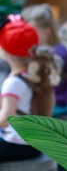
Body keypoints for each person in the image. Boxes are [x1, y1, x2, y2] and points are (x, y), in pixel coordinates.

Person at [21, 5, 67, 115]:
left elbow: (47, 79)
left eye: (31, 32)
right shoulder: (48, 49)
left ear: (47, 32)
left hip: (62, 104)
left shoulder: (59, 52)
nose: (26, 36)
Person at [0, 16, 47, 162]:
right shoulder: (33, 74)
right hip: (33, 141)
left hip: (19, 144)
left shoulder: (12, 83)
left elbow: (5, 120)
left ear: (5, 52)